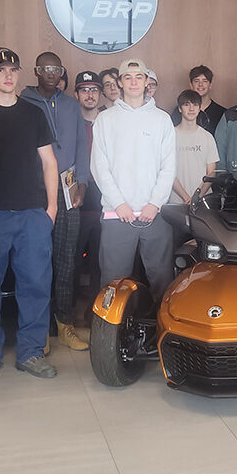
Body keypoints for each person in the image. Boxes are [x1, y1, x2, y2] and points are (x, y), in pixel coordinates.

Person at [0, 48, 60, 380]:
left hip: (32, 214)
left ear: (19, 74)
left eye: (13, 69)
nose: (8, 75)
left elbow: (48, 162)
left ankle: (31, 352)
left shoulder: (33, 114)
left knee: (35, 284)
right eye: (0, 69)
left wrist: (52, 207)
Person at [20, 52, 90, 351]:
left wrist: (83, 182)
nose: (51, 72)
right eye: (46, 68)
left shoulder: (71, 105)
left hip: (68, 189)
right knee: (35, 261)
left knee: (66, 259)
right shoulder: (22, 103)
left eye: (56, 68)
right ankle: (39, 329)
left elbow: (82, 146)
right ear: (36, 71)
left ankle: (65, 323)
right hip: (34, 191)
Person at [91, 58, 176, 300]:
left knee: (162, 282)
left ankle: (162, 336)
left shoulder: (161, 120)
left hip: (155, 215)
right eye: (127, 77)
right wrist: (119, 204)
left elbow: (168, 167)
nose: (134, 82)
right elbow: (99, 167)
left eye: (139, 77)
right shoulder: (105, 120)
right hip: (116, 215)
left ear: (147, 81)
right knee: (111, 284)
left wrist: (155, 203)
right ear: (119, 82)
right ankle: (109, 338)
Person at [75, 71, 104, 321]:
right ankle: (67, 314)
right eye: (84, 89)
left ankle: (94, 313)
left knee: (100, 260)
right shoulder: (69, 121)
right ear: (77, 94)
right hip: (75, 199)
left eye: (94, 89)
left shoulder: (109, 122)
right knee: (71, 259)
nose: (90, 94)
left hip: (105, 198)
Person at [171, 90, 219, 204]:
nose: (191, 109)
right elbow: (167, 170)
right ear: (180, 108)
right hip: (176, 200)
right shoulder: (170, 136)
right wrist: (186, 197)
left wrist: (197, 197)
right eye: (186, 104)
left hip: (202, 202)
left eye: (195, 105)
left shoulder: (207, 137)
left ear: (199, 108)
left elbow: (211, 173)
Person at [170, 64, 226, 134]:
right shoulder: (179, 111)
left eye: (205, 81)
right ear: (191, 84)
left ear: (210, 85)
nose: (200, 84)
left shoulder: (222, 113)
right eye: (196, 81)